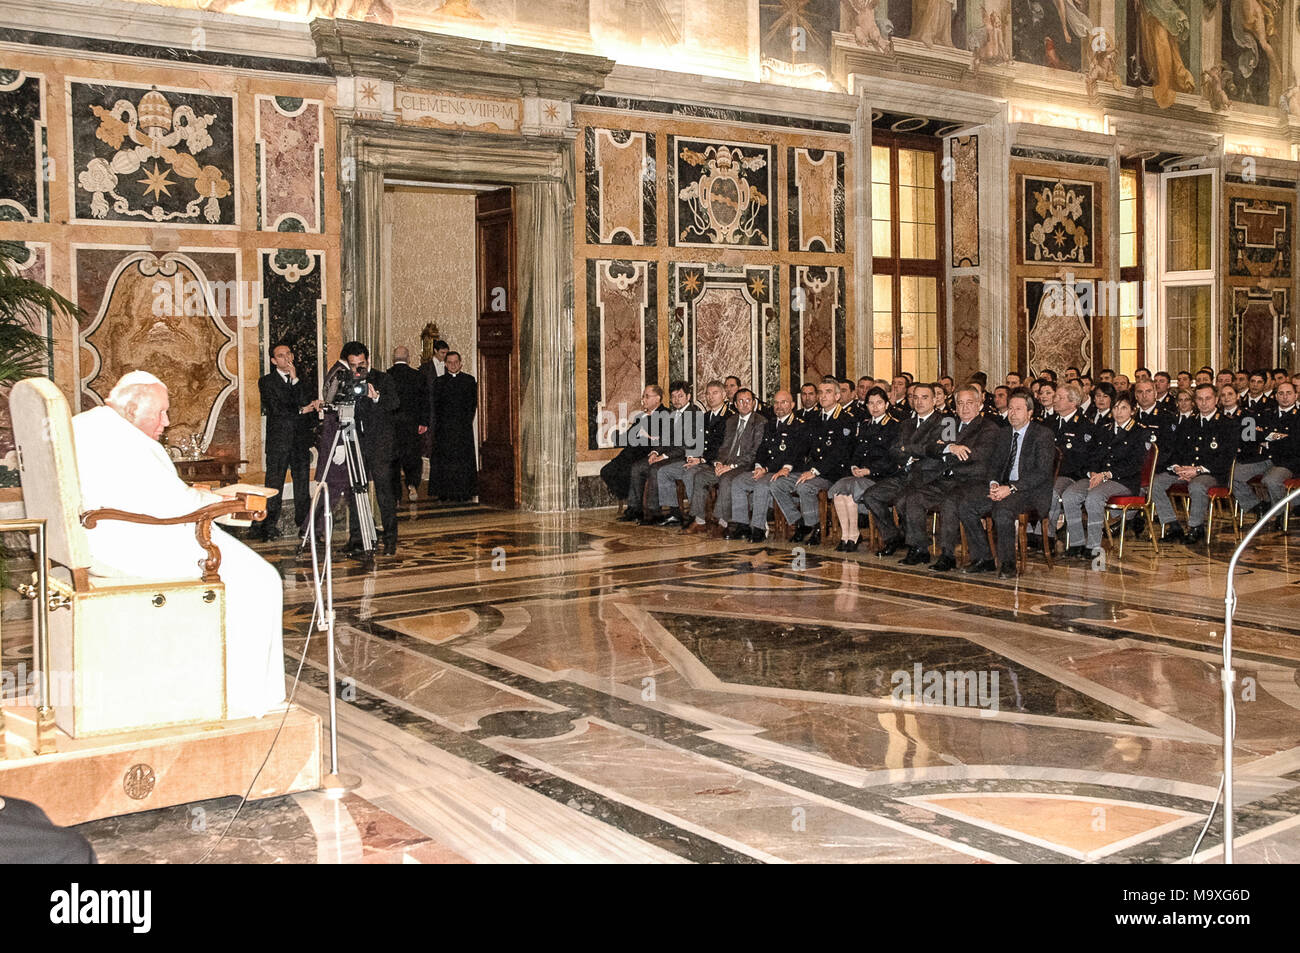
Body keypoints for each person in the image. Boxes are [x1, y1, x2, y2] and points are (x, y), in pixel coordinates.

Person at [72, 371, 285, 719]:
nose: (166, 423)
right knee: (260, 581)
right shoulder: (123, 438)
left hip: (109, 536)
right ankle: (243, 697)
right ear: (131, 409)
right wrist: (223, 500)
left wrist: (201, 496)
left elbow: (152, 495)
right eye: (160, 413)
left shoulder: (87, 424)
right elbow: (171, 507)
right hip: (135, 543)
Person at [900, 385, 1001, 571]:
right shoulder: (950, 424)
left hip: (973, 481)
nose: (964, 408)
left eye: (970, 403)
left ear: (979, 405)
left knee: (949, 502)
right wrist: (950, 448)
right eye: (960, 403)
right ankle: (920, 548)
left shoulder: (988, 428)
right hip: (946, 479)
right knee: (914, 497)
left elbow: (976, 455)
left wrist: (948, 449)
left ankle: (948, 555)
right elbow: (932, 447)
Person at [958, 392, 1057, 578]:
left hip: (1031, 492)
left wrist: (1011, 488)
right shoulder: (1003, 434)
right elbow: (993, 465)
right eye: (1010, 409)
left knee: (1002, 510)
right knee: (966, 505)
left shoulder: (1043, 434)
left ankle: (1008, 563)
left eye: (1018, 409)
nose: (1012, 413)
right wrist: (994, 484)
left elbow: (1041, 473)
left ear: (1029, 413)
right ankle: (984, 559)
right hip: (1003, 488)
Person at [1060, 393, 1153, 559]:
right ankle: (1077, 542)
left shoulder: (1140, 432)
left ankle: (1094, 545)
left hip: (1123, 480)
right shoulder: (1104, 429)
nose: (1118, 412)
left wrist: (1107, 474)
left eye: (1124, 408)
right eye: (1115, 407)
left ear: (1133, 410)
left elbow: (1135, 464)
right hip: (1098, 477)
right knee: (1070, 495)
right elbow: (1093, 456)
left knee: (1094, 497)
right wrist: (1093, 472)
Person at [863, 382, 948, 555]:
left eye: (924, 398)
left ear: (935, 400)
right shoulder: (906, 423)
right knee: (871, 495)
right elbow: (894, 450)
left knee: (904, 499)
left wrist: (908, 449)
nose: (919, 402)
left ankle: (918, 548)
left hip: (929, 476)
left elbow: (940, 454)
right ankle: (893, 537)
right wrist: (911, 453)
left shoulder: (945, 422)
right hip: (904, 473)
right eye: (915, 397)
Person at [767, 380, 855, 546]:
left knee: (805, 487)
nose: (823, 396)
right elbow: (801, 447)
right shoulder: (814, 418)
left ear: (837, 396)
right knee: (776, 484)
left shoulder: (845, 420)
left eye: (828, 392)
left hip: (833, 473)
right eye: (820, 392)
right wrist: (787, 467)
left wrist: (814, 471)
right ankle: (801, 522)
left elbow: (839, 454)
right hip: (811, 471)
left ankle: (816, 527)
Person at [1149, 383, 1239, 543]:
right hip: (1185, 470)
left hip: (1212, 473)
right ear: (1195, 401)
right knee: (1154, 483)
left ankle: (1196, 528)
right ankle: (1172, 524)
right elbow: (1175, 450)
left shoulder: (1227, 424)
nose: (1204, 403)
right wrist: (1176, 467)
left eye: (1208, 398)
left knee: (1197, 486)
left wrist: (1198, 470)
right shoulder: (1188, 422)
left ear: (1216, 400)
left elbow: (1225, 457)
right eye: (1200, 399)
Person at [334, 342, 399, 555]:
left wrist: (376, 397)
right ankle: (356, 538)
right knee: (355, 490)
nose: (358, 370)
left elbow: (394, 404)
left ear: (368, 361)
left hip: (380, 444)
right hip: (356, 441)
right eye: (353, 365)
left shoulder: (383, 378)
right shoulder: (346, 380)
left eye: (361, 364)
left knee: (384, 493)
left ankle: (390, 540)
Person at [257, 342, 321, 540]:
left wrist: (295, 381)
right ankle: (268, 526)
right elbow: (278, 409)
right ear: (273, 360)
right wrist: (301, 410)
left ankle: (305, 525)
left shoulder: (301, 380)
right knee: (273, 484)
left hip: (300, 441)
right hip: (279, 441)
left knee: (302, 485)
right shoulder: (266, 382)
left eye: (289, 353)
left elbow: (307, 403)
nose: (287, 358)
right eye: (281, 355)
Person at [730, 390, 806, 542]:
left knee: (762, 485)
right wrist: (759, 466)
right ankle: (742, 524)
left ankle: (758, 528)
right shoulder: (770, 424)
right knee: (738, 482)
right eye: (776, 403)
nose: (779, 406)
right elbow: (762, 449)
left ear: (792, 405)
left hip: (788, 471)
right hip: (767, 470)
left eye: (783, 402)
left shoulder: (799, 425)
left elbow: (792, 454)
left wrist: (765, 469)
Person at [653, 380, 731, 529]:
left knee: (689, 474)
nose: (711, 397)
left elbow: (724, 447)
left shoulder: (729, 417)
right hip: (699, 459)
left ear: (724, 395)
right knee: (664, 471)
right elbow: (696, 440)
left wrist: (701, 459)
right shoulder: (706, 416)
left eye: (715, 393)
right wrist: (692, 455)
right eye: (708, 394)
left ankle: (697, 516)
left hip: (716, 463)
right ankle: (675, 513)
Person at [829, 386, 899, 551]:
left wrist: (869, 471)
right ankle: (847, 535)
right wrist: (854, 465)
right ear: (866, 406)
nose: (875, 407)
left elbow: (892, 460)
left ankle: (853, 536)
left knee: (850, 492)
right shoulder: (865, 425)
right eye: (871, 403)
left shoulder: (893, 426)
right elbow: (857, 451)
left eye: (879, 403)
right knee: (839, 494)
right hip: (861, 474)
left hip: (881, 476)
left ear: (887, 405)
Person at [1234, 381, 1300, 522]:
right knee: (1234, 474)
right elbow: (1250, 436)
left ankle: (1281, 513)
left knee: (1271, 480)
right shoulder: (1267, 414)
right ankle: (1258, 506)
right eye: (1281, 393)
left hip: (1287, 462)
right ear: (1276, 396)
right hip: (1263, 458)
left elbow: (1294, 444)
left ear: (1296, 395)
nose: (1285, 397)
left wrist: (1267, 439)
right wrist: (1276, 437)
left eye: (1289, 393)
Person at [707, 389, 767, 534]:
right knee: (700, 475)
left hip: (746, 465)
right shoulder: (731, 421)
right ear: (735, 404)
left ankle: (724, 521)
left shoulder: (760, 422)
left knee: (726, 479)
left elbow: (754, 452)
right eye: (741, 401)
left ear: (753, 403)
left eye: (748, 401)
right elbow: (724, 446)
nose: (745, 404)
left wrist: (731, 466)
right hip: (727, 463)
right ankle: (700, 520)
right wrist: (719, 463)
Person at [606, 385, 667, 520]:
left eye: (647, 396)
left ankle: (634, 509)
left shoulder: (666, 414)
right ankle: (629, 497)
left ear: (657, 399)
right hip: (632, 452)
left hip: (647, 453)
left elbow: (663, 441)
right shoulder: (642, 416)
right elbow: (629, 436)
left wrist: (646, 437)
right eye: (643, 396)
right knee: (607, 470)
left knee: (633, 469)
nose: (643, 400)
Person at [429, 351, 478, 502]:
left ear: (461, 363)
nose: (453, 365)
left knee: (463, 461)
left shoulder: (469, 381)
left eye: (456, 362)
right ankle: (444, 492)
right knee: (444, 461)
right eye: (449, 362)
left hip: (463, 429)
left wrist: (464, 422)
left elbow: (472, 404)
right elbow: (435, 406)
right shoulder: (438, 382)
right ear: (445, 364)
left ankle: (464, 491)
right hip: (444, 430)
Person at [387, 345, 430, 501]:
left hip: (391, 425)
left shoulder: (386, 376)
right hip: (412, 424)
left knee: (393, 459)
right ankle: (412, 486)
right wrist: (423, 422)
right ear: (408, 358)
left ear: (393, 359)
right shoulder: (418, 376)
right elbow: (425, 402)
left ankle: (395, 494)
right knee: (412, 457)